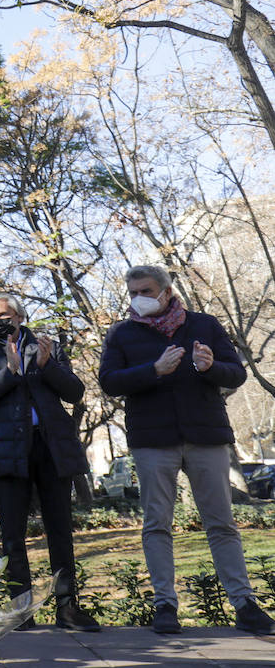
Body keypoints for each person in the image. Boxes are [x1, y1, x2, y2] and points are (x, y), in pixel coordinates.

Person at [99, 265, 274, 636]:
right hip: (152, 441)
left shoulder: (203, 324)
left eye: (144, 291)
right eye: (131, 293)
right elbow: (109, 382)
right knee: (156, 524)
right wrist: (153, 370)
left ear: (165, 290)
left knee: (221, 523)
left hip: (204, 436)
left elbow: (237, 373)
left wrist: (210, 367)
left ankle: (244, 604)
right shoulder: (121, 333)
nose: (137, 299)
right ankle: (165, 605)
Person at [0, 292, 99, 632]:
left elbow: (74, 392)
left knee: (59, 531)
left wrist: (47, 365)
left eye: (4, 314)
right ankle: (20, 611)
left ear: (19, 316)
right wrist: (8, 372)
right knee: (13, 535)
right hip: (8, 451)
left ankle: (68, 609)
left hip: (51, 448)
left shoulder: (45, 346)